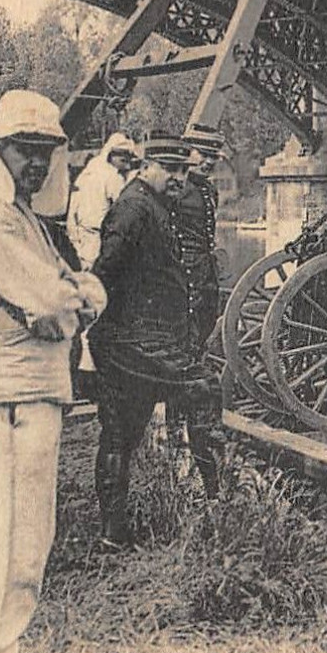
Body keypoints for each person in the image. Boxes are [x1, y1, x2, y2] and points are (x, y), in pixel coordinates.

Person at [0, 91, 104, 653]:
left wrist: (71, 301)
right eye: (25, 150)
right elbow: (56, 295)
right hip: (6, 385)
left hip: (35, 382)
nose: (36, 164)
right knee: (11, 526)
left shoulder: (22, 216)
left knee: (32, 528)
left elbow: (73, 287)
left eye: (45, 152)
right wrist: (72, 304)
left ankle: (4, 650)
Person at [89, 132, 223, 551]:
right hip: (135, 339)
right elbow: (103, 274)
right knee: (203, 389)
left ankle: (115, 533)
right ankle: (220, 506)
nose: (180, 178)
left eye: (184, 169)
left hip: (136, 339)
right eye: (171, 169)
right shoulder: (133, 209)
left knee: (122, 433)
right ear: (147, 166)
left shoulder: (151, 204)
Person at [176, 130, 224, 354]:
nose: (208, 162)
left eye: (213, 156)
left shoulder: (207, 189)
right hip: (183, 268)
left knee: (207, 319)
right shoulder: (177, 188)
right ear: (188, 152)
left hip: (205, 269)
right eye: (203, 154)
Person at [67, 133, 137, 269]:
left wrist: (73, 237)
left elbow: (72, 209)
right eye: (123, 160)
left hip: (81, 239)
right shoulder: (112, 176)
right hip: (100, 240)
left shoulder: (87, 172)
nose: (127, 166)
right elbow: (124, 208)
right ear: (111, 155)